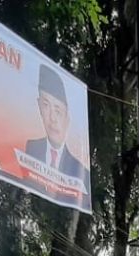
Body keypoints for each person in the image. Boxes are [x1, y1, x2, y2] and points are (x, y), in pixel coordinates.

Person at [25, 65, 91, 207]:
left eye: (58, 111)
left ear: (67, 118)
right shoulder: (30, 148)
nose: (52, 118)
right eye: (46, 106)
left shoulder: (80, 172)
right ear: (39, 107)